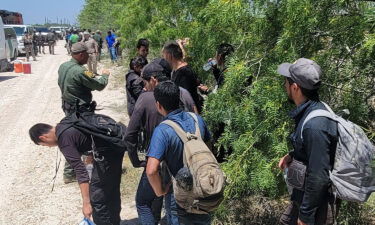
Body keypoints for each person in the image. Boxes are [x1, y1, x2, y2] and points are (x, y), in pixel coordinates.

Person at [277, 58, 338, 225]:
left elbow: (319, 175)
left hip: (317, 207)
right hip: (304, 198)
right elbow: (313, 151)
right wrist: (293, 156)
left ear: (295, 87)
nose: (284, 86)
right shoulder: (311, 110)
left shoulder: (315, 125)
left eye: (286, 82)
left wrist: (305, 216)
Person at [29, 122, 124, 225]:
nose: (49, 147)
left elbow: (81, 171)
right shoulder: (64, 125)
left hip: (109, 154)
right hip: (114, 146)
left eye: (45, 145)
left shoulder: (64, 142)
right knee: (110, 191)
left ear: (43, 138)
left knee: (97, 199)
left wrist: (86, 203)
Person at [146, 81, 211, 225]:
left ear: (158, 105)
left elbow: (151, 170)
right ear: (179, 98)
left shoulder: (162, 131)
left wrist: (160, 191)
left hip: (179, 198)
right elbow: (208, 149)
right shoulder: (197, 119)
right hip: (204, 191)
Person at [58, 42, 110, 183]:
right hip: (80, 111)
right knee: (82, 139)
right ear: (81, 54)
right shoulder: (80, 71)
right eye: (87, 54)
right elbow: (99, 85)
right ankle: (76, 173)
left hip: (68, 107)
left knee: (71, 137)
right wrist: (105, 76)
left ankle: (71, 173)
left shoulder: (64, 66)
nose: (88, 57)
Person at [162, 41, 201, 112]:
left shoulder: (184, 73)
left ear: (169, 55)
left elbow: (187, 100)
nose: (164, 58)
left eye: (164, 55)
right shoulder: (177, 70)